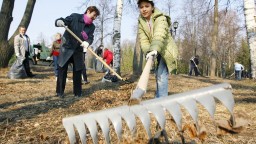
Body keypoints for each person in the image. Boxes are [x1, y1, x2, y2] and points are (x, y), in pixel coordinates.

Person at [55, 6, 100, 98]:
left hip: (78, 51)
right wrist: (59, 21)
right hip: (66, 48)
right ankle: (60, 92)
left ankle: (77, 93)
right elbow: (64, 20)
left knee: (78, 71)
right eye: (94, 15)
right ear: (88, 11)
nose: (94, 18)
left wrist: (87, 42)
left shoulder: (91, 27)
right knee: (62, 70)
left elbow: (91, 37)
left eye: (96, 17)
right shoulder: (75, 17)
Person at [137, 0, 178, 98]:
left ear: (152, 7)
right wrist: (148, 51)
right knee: (158, 75)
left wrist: (154, 48)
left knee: (161, 75)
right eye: (141, 7)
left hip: (166, 49)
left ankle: (162, 102)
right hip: (155, 49)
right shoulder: (141, 21)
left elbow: (159, 34)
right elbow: (144, 39)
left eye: (147, 6)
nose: (144, 9)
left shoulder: (160, 18)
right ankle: (158, 98)